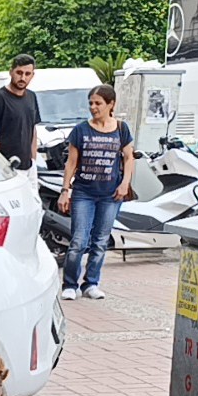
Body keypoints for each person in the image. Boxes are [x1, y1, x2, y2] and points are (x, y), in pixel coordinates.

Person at [57, 84, 134, 301]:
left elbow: (129, 158)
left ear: (111, 104)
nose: (93, 107)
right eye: (91, 103)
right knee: (79, 241)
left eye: (98, 103)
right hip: (84, 192)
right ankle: (70, 283)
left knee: (100, 240)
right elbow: (71, 163)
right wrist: (66, 190)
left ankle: (91, 283)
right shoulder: (81, 130)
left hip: (110, 194)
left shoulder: (121, 128)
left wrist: (125, 183)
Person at [0, 54, 40, 179]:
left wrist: (33, 159)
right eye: (19, 72)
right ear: (11, 72)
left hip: (29, 167)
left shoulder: (32, 97)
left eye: (27, 74)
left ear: (32, 75)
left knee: (33, 199)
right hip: (8, 167)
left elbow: (33, 128)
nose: (23, 77)